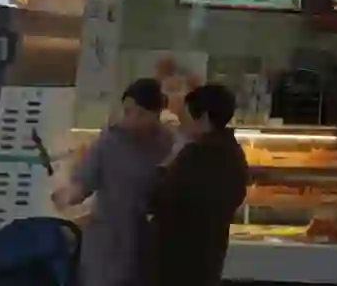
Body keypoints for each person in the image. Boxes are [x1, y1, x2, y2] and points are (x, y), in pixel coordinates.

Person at [52, 78, 173, 286]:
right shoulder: (109, 142)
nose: (131, 119)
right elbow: (84, 182)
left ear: (156, 114)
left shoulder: (167, 142)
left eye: (140, 114)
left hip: (147, 244)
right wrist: (68, 195)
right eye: (127, 112)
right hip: (107, 244)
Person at [144, 83, 248, 286]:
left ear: (204, 118)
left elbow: (157, 199)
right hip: (211, 258)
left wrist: (164, 167)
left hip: (177, 262)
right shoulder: (234, 153)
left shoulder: (194, 156)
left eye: (186, 116)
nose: (183, 123)